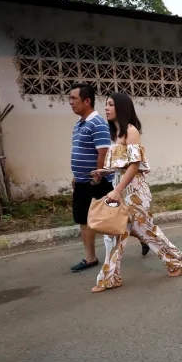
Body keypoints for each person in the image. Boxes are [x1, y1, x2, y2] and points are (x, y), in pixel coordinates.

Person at [91, 93, 182, 292]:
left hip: (134, 193)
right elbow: (122, 166)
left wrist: (118, 190)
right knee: (113, 234)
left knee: (148, 232)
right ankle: (109, 278)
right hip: (120, 190)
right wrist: (103, 172)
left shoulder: (131, 131)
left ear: (121, 107)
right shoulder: (116, 133)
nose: (107, 108)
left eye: (110, 105)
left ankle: (176, 261)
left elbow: (134, 166)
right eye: (106, 105)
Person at [68, 83, 147, 274]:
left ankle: (103, 266)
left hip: (106, 183)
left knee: (109, 220)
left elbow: (109, 154)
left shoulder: (112, 127)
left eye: (74, 99)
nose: (70, 102)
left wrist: (100, 176)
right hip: (87, 180)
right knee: (89, 219)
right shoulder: (82, 124)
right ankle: (101, 266)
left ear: (87, 101)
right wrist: (78, 175)